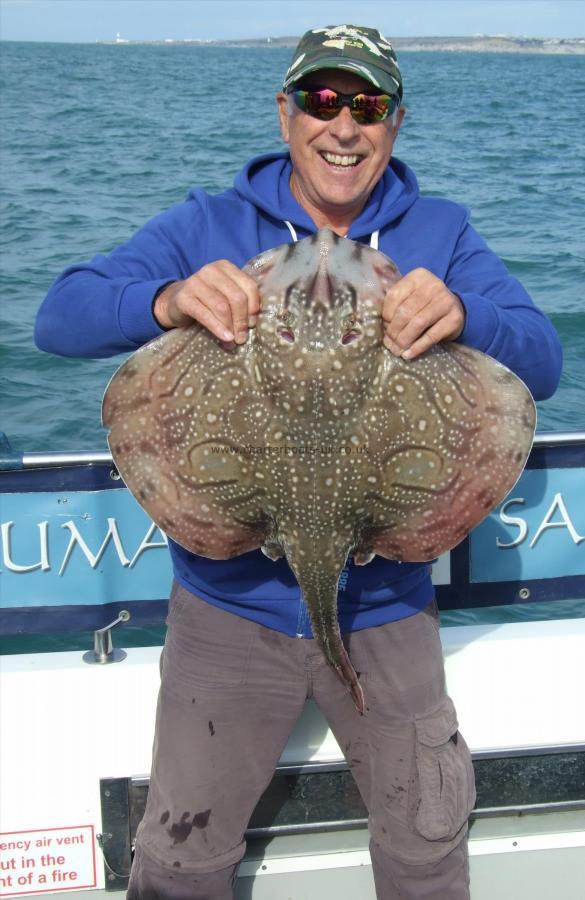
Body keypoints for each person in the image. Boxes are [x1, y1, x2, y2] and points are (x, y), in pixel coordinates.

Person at [35, 24, 562, 900]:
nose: (342, 125)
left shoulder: (441, 230)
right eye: (321, 100)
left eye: (366, 104)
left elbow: (541, 359)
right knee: (178, 857)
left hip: (390, 610)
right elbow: (60, 317)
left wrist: (467, 312)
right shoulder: (205, 222)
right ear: (285, 114)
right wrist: (164, 299)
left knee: (426, 844)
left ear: (395, 121)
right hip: (227, 610)